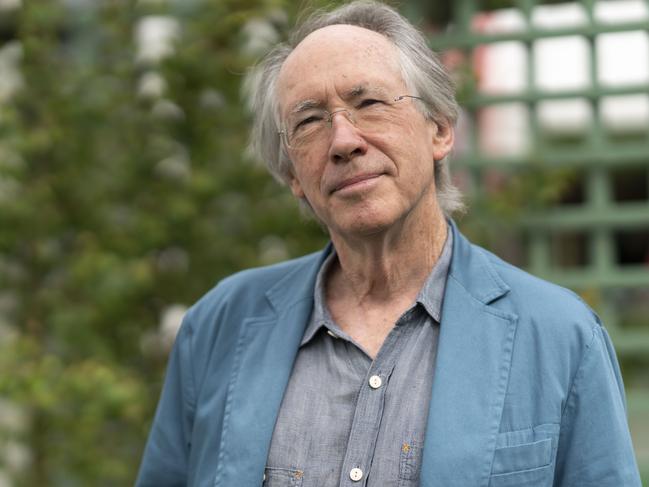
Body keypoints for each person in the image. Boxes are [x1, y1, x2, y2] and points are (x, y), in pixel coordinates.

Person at [136, 2, 641, 486]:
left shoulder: (558, 335)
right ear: (292, 174)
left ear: (440, 129)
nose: (343, 141)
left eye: (369, 103)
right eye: (309, 121)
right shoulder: (219, 325)